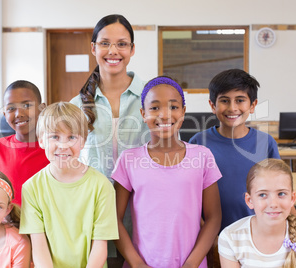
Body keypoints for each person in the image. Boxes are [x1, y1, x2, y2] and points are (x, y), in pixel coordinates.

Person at [112, 76, 222, 268]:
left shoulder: (202, 156)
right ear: (143, 113)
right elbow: (114, 219)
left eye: (173, 107)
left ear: (183, 112)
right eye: (155, 108)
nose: (164, 115)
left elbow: (214, 217)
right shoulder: (129, 160)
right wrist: (137, 264)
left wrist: (192, 263)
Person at [188, 69, 291, 231]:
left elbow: (281, 191)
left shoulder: (266, 143)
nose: (232, 108)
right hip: (212, 237)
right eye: (224, 101)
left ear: (252, 105)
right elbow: (190, 198)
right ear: (212, 106)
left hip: (259, 236)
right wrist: (207, 237)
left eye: (240, 100)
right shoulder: (198, 143)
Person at [20, 102, 118, 267]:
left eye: (72, 137)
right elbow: (39, 248)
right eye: (55, 137)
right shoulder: (31, 188)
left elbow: (100, 246)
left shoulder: (102, 186)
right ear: (41, 141)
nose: (63, 145)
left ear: (83, 141)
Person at [70, 14, 150, 180]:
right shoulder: (76, 105)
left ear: (132, 49)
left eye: (121, 44)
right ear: (93, 48)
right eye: (105, 43)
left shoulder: (151, 96)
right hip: (93, 201)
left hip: (142, 200)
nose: (113, 51)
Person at [218, 158, 296, 267]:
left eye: (281, 193)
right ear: (249, 200)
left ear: (292, 198)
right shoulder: (230, 238)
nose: (273, 204)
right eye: (262, 195)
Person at [0, 80, 49, 206]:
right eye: (11, 108)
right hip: (7, 223)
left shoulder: (56, 148)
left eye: (27, 106)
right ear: (5, 114)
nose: (19, 114)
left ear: (42, 108)